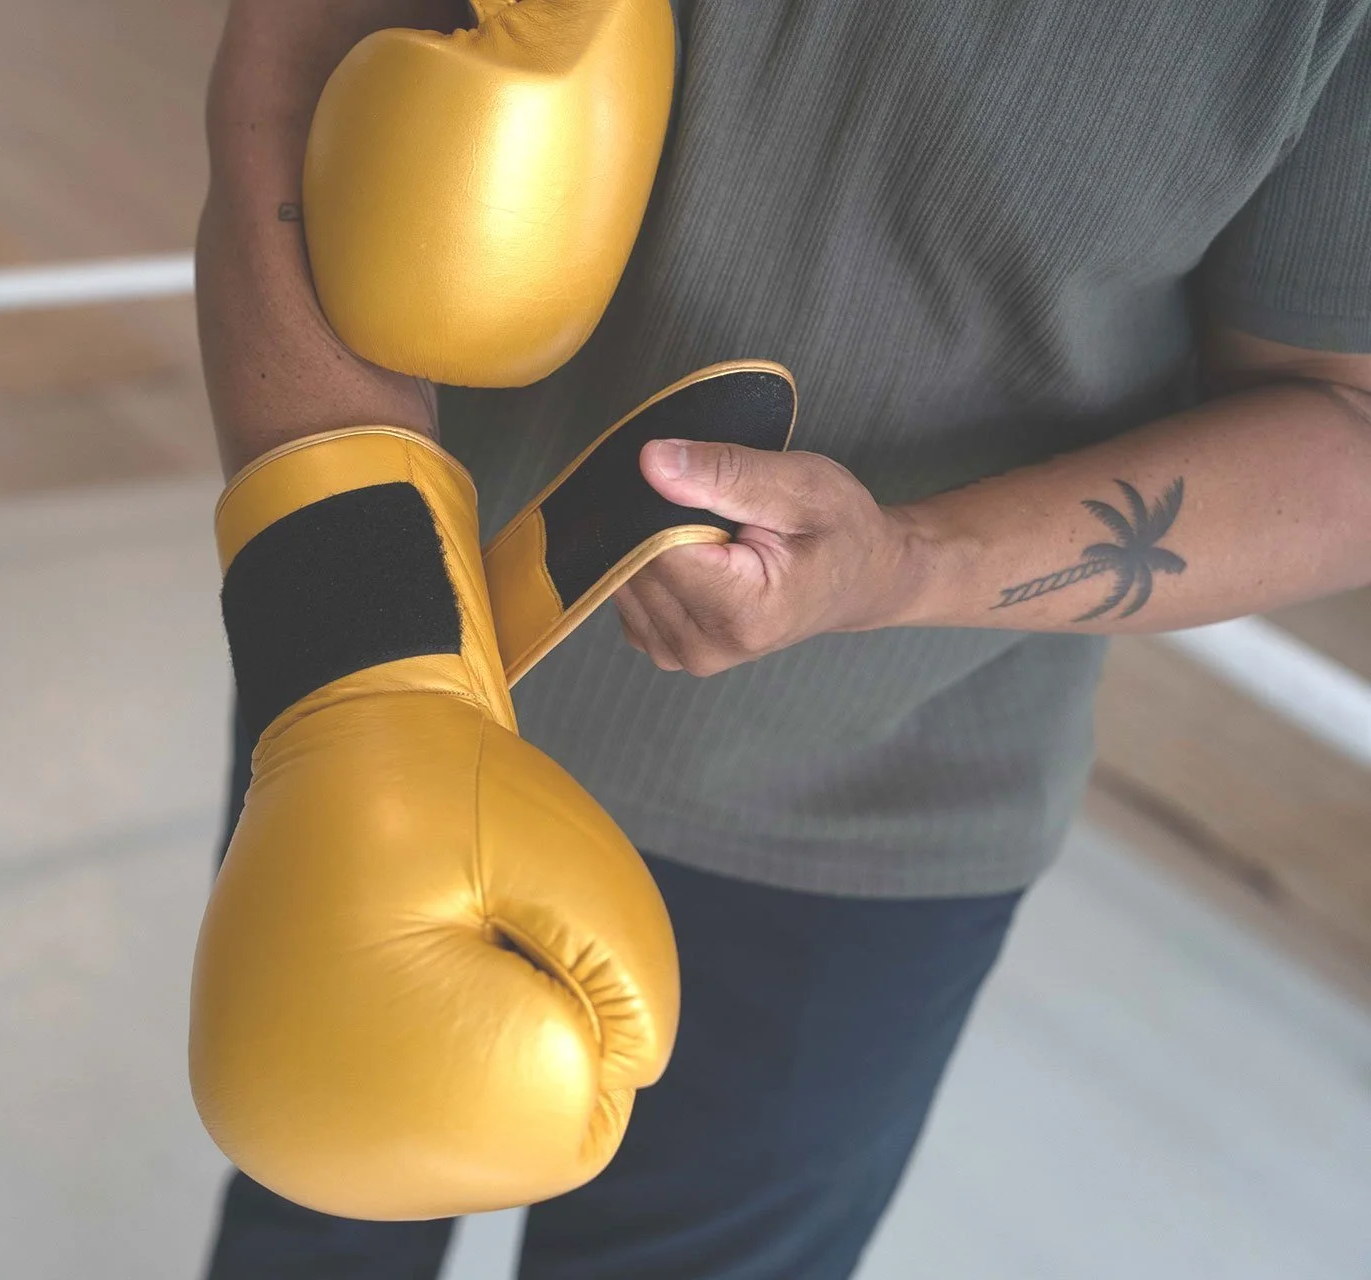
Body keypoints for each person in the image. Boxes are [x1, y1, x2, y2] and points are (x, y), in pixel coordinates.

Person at [195, 0, 1371, 1275]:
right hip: (392, 659)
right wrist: (365, 680)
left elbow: (1341, 414)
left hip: (871, 800)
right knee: (314, 1233)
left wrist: (909, 564)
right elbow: (300, 62)